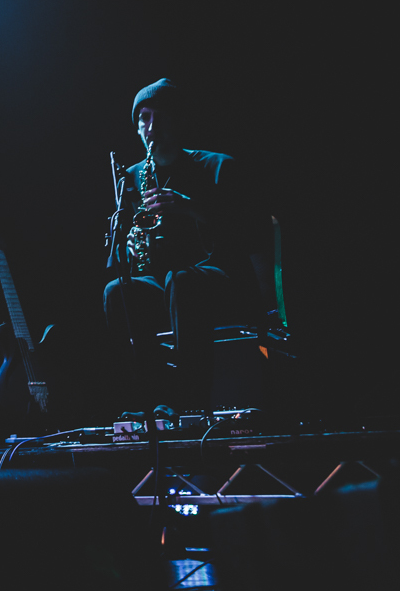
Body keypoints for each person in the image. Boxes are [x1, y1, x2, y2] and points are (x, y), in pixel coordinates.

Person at [103, 79, 274, 412]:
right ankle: (149, 401)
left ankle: (190, 404)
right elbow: (125, 244)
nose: (150, 128)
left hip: (219, 277)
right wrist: (128, 248)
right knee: (117, 291)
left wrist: (191, 207)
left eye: (160, 117)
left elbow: (249, 234)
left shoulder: (218, 166)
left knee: (181, 281)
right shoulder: (132, 179)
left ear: (179, 121)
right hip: (162, 279)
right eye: (144, 118)